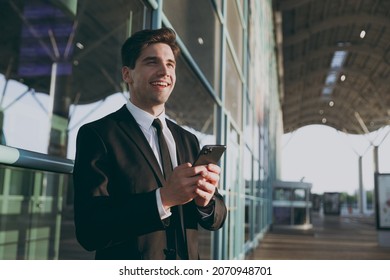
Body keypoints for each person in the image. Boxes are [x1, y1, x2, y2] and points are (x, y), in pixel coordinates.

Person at [73, 27, 227, 260]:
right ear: (127, 75)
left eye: (170, 64)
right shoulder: (98, 134)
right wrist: (163, 198)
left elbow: (216, 219)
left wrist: (206, 203)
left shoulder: (188, 139)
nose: (164, 71)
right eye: (151, 62)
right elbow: (90, 230)